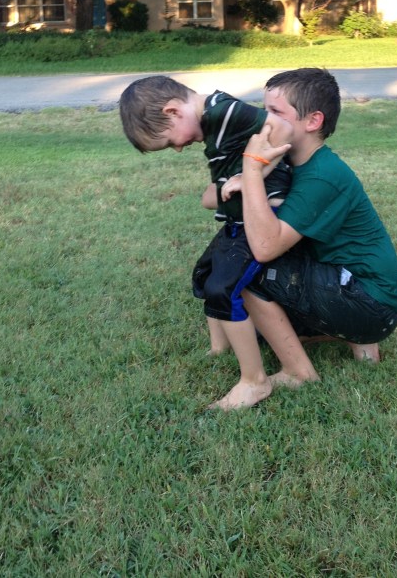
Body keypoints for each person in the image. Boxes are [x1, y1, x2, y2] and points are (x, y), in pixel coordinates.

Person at [119, 75, 293, 409]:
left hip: (262, 217)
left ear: (173, 111)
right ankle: (219, 347)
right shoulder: (213, 120)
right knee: (205, 274)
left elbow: (283, 129)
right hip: (237, 219)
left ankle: (255, 381)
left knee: (223, 290)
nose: (178, 148)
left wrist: (251, 174)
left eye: (170, 142)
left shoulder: (222, 110)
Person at [238, 68, 397, 389]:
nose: (264, 119)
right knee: (258, 331)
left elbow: (264, 246)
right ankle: (352, 338)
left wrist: (251, 170)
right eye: (264, 109)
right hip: (359, 288)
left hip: (373, 305)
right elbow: (212, 198)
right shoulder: (292, 162)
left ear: (313, 121)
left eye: (275, 111)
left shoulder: (322, 175)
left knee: (245, 271)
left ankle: (298, 372)